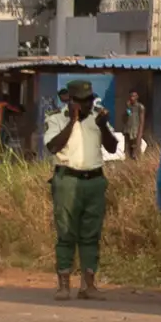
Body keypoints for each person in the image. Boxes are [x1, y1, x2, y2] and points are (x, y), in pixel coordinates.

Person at [42, 78, 122, 299]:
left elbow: (112, 147)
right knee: (66, 232)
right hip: (67, 178)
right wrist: (73, 122)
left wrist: (104, 125)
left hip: (94, 179)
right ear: (70, 100)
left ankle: (88, 285)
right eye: (81, 101)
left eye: (89, 100)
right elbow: (53, 146)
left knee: (91, 233)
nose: (86, 105)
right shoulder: (56, 119)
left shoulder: (97, 119)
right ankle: (64, 284)